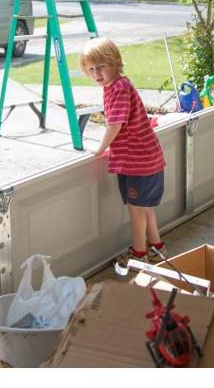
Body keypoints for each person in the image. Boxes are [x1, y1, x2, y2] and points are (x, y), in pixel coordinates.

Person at [78, 37, 168, 266]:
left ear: (116, 63)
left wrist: (100, 149)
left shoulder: (118, 88)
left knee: (136, 210)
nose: (96, 73)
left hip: (138, 161)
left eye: (101, 67)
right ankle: (157, 246)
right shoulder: (117, 86)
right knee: (144, 207)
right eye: (90, 69)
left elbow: (115, 125)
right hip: (145, 157)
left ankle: (139, 255)